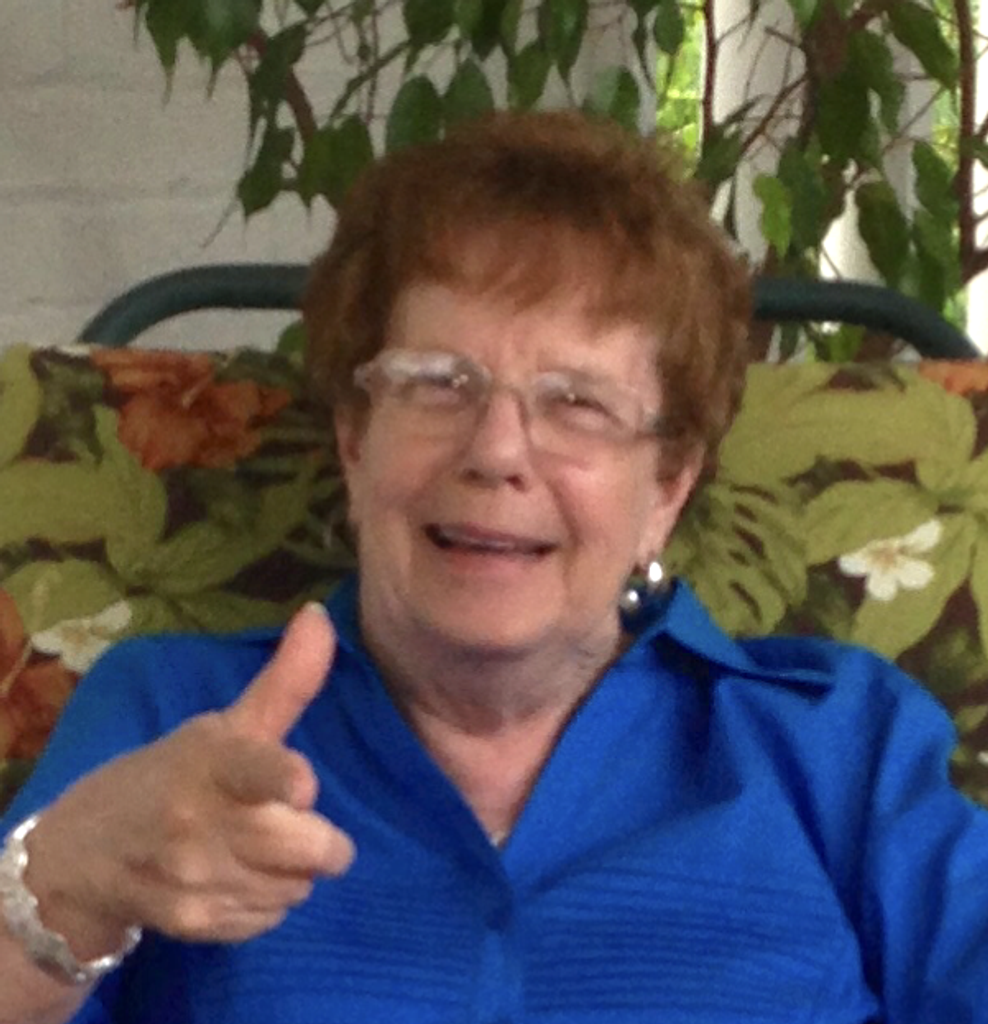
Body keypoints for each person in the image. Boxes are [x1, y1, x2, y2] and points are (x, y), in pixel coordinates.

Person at [1, 110, 986, 1024]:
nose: (497, 450)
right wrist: (69, 882)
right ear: (354, 439)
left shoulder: (836, 743)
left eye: (577, 403)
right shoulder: (171, 714)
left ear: (668, 486)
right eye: (439, 384)